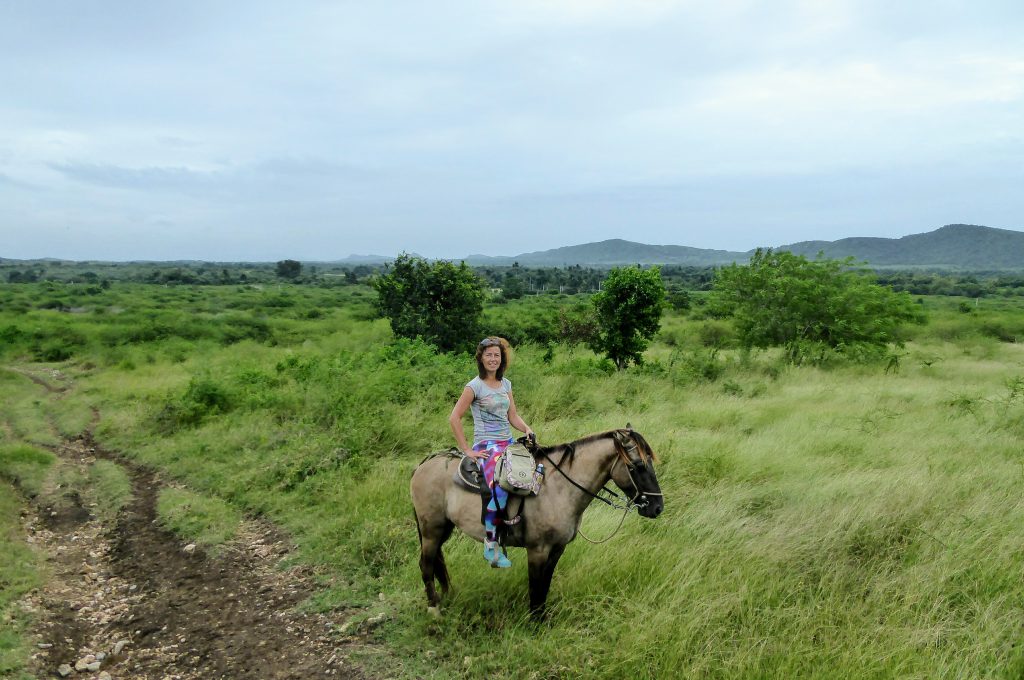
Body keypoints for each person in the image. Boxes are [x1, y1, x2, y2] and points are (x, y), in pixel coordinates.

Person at [449, 336, 534, 568]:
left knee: (535, 473)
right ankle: (491, 545)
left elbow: (512, 416)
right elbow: (454, 418)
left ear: (502, 358)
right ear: (481, 358)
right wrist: (467, 449)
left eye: (497, 355)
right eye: (489, 355)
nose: (493, 359)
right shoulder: (474, 386)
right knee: (500, 488)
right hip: (486, 445)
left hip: (507, 442)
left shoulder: (506, 384)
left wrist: (526, 428)